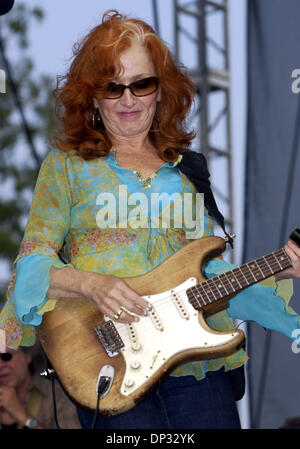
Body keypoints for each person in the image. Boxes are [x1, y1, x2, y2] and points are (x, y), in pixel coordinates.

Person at [0, 10, 300, 429]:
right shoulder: (67, 166)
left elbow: (207, 275)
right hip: (105, 360)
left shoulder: (187, 169)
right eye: (113, 86)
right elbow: (32, 269)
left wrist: (283, 281)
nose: (128, 100)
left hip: (195, 367)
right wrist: (93, 284)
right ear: (92, 95)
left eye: (141, 84)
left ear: (161, 91)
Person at [0, 345, 80, 429]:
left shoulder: (56, 394)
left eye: (6, 356)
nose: (0, 365)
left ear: (27, 356)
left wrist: (23, 416)